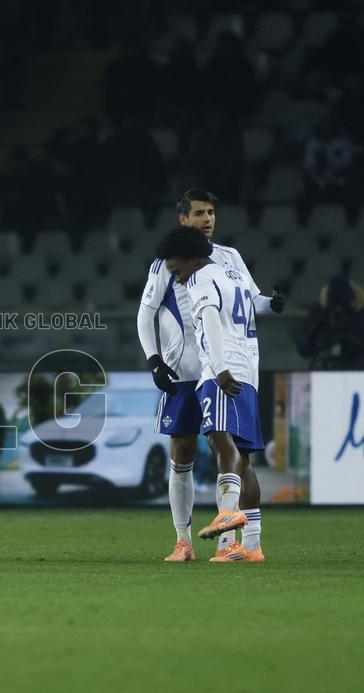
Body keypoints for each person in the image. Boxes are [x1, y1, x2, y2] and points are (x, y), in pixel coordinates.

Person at [137, 189, 284, 562]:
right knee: (184, 452)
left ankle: (230, 542)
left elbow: (250, 300)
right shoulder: (166, 263)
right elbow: (145, 314)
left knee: (230, 450)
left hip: (218, 368)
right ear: (183, 219)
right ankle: (183, 541)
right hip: (185, 371)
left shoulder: (228, 258)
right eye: (199, 213)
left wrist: (271, 304)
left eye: (211, 213)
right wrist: (154, 359)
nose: (207, 219)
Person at [157, 225, 266, 563]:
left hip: (222, 370)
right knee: (243, 457)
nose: (176, 278)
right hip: (249, 368)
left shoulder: (201, 280)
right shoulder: (234, 275)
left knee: (219, 438)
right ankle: (252, 546)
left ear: (192, 260)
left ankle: (229, 510)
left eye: (176, 270)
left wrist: (218, 369)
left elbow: (210, 319)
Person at [296, 274, 364, 370]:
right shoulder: (318, 313)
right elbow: (304, 349)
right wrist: (319, 326)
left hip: (351, 367)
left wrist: (344, 333)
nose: (338, 312)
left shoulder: (362, 313)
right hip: (323, 367)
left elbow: (363, 345)